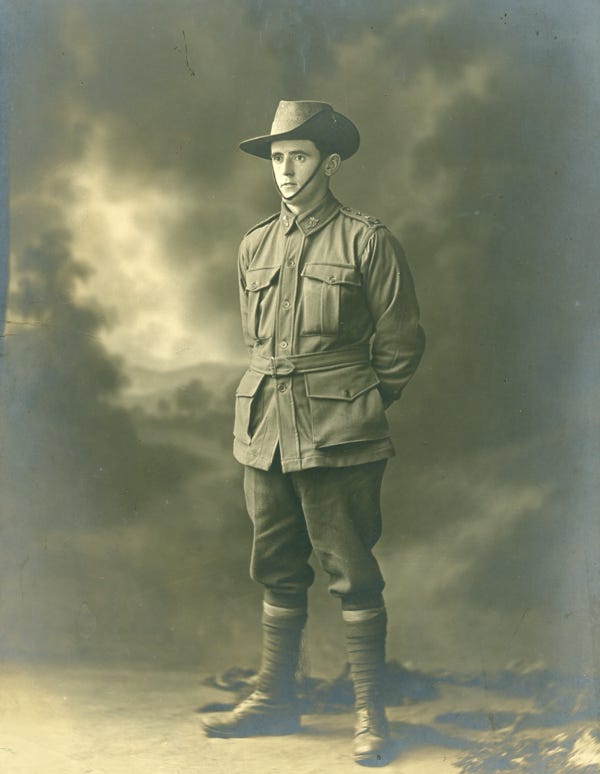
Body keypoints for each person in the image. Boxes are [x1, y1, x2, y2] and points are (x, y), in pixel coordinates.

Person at [201, 100, 425, 767]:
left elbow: (401, 342)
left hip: (339, 431)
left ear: (329, 164)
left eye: (298, 157)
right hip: (266, 428)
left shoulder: (367, 241)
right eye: (277, 158)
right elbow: (258, 339)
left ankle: (370, 713)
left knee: (351, 571)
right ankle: (275, 698)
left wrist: (357, 402)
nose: (285, 170)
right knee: (275, 565)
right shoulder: (254, 244)